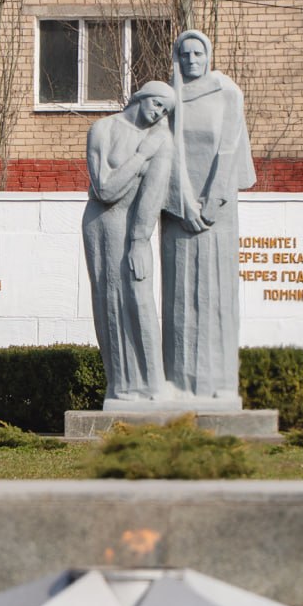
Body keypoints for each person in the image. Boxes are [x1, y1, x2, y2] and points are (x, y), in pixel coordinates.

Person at [161, 29, 256, 404]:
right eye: (184, 54)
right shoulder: (170, 99)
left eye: (197, 54)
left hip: (219, 211)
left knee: (215, 295)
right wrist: (182, 202)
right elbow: (166, 152)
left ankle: (220, 383)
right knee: (180, 298)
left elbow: (229, 149)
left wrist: (213, 201)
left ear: (208, 55)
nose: (191, 61)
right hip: (178, 213)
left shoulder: (226, 92)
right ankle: (179, 383)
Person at [83, 81, 177, 404]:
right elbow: (104, 190)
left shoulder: (161, 141)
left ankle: (152, 384)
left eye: (165, 110)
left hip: (133, 227)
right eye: (157, 104)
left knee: (138, 298)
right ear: (141, 97)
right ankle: (120, 385)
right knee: (107, 300)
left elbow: (152, 195)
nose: (159, 113)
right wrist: (140, 157)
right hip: (100, 224)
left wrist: (139, 240)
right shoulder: (102, 129)